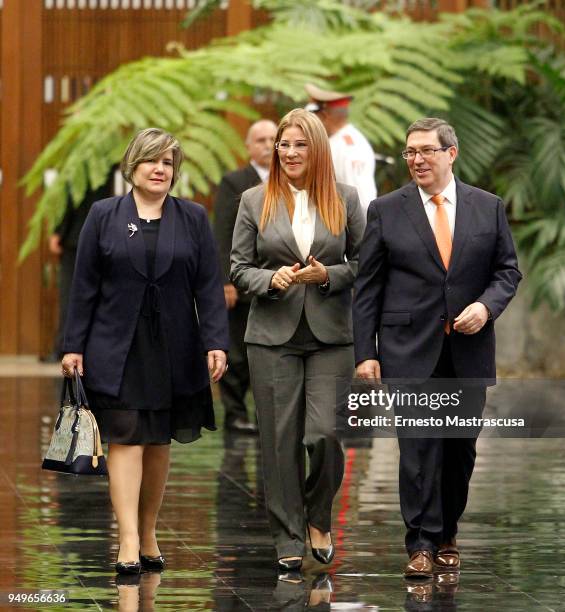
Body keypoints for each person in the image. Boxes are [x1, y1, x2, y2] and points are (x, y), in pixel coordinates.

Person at [352, 118, 522, 578]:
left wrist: (486, 309)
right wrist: (365, 352)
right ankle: (421, 545)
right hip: (409, 348)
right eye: (410, 152)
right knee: (417, 447)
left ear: (451, 153)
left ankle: (448, 533)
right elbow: (368, 287)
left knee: (459, 451)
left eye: (426, 151)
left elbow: (507, 272)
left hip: (468, 351)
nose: (417, 160)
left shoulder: (488, 208)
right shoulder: (386, 209)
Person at [61, 128, 229, 575]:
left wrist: (216, 340)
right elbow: (84, 286)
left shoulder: (193, 217)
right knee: (126, 436)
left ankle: (149, 529)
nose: (160, 169)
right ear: (131, 166)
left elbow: (209, 286)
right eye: (151, 161)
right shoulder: (103, 214)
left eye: (168, 163)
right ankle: (128, 538)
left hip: (174, 345)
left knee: (158, 440)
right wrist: (72, 344)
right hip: (116, 343)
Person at [230, 108, 365, 571]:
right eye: (282, 144)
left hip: (331, 336)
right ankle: (287, 536)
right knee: (279, 440)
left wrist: (329, 273)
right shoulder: (253, 200)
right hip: (271, 337)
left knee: (324, 434)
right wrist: (272, 279)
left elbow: (366, 264)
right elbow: (238, 268)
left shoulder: (345, 199)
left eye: (299, 144)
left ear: (317, 150)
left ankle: (318, 518)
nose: (288, 152)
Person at [213, 119, 278, 434]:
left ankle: (265, 415)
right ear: (249, 146)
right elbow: (223, 231)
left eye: (273, 139)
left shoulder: (291, 178)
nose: (268, 145)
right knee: (236, 354)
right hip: (241, 280)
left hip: (277, 280)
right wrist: (226, 280)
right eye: (261, 139)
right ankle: (235, 413)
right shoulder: (234, 181)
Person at [46, 168, 115, 362]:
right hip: (100, 238)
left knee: (70, 294)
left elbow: (69, 202)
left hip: (74, 240)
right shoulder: (106, 167)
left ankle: (64, 347)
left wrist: (59, 231)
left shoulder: (79, 167)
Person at [305, 83, 377, 213]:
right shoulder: (335, 141)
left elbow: (361, 200)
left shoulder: (349, 148)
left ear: (324, 114)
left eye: (314, 113)